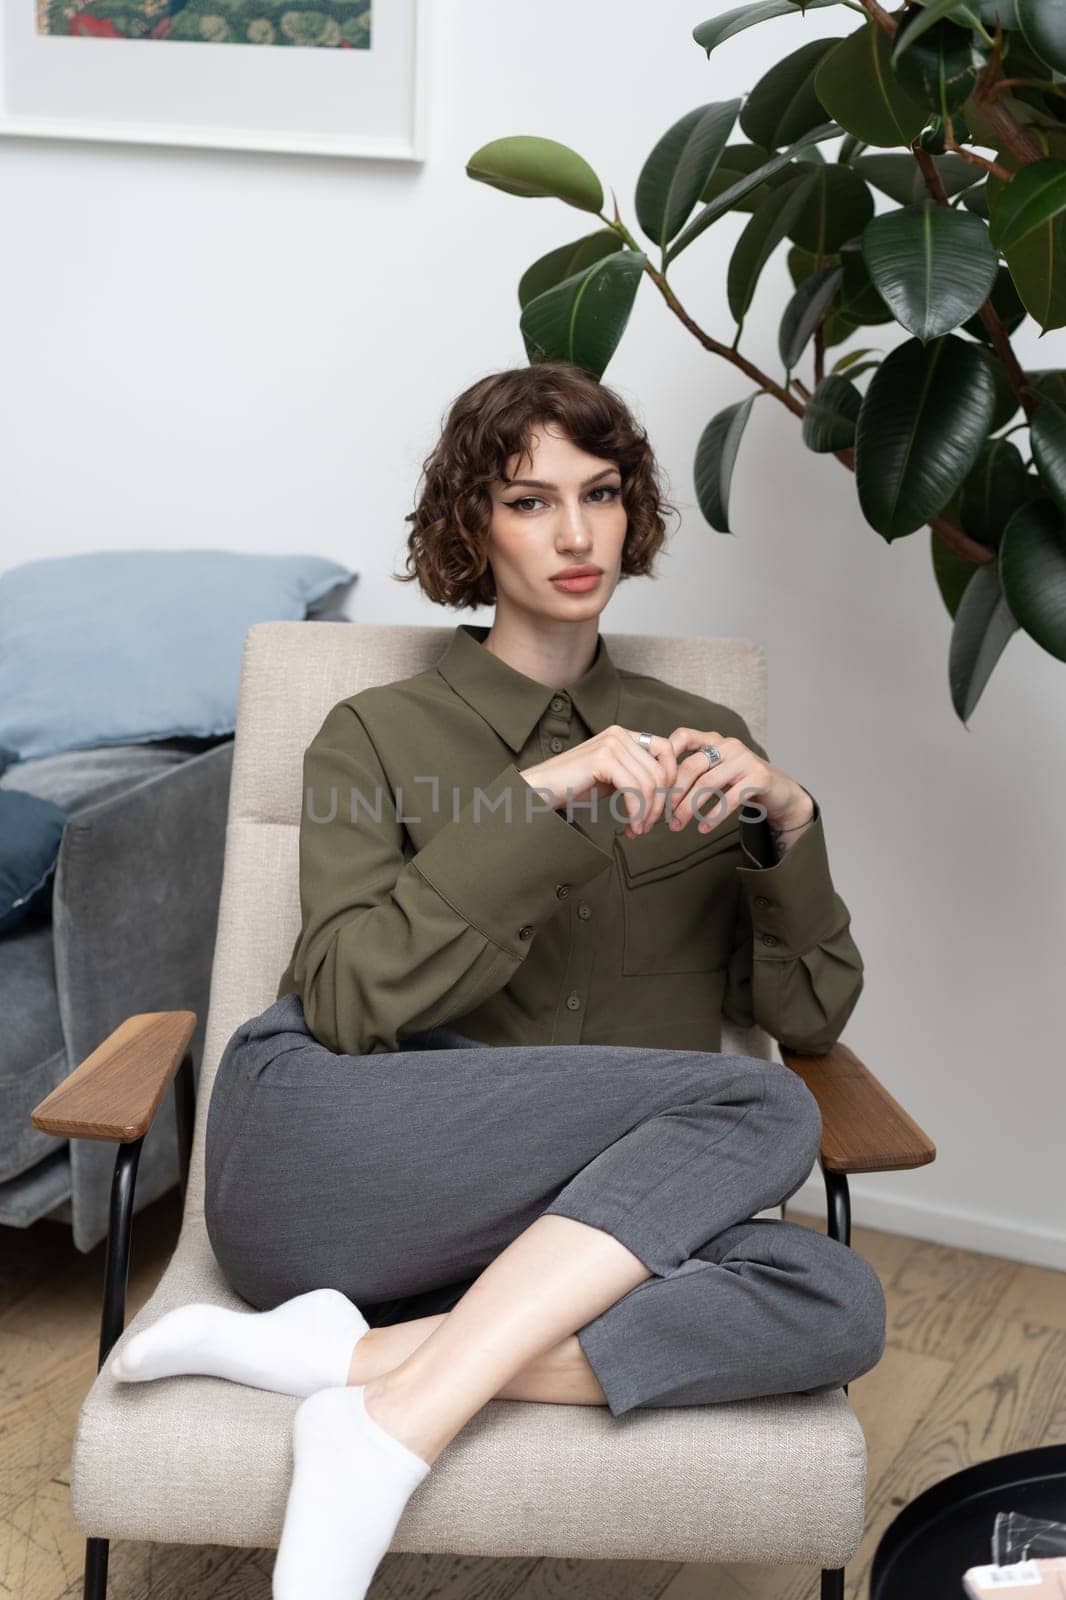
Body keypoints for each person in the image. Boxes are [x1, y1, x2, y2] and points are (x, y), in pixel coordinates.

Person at [110, 361, 886, 1599]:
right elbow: (350, 997)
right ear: (472, 526)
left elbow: (805, 1016)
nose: (574, 534)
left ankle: (362, 1374)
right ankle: (383, 1415)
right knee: (761, 1110)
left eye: (601, 493)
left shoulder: (700, 741)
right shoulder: (373, 734)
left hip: (575, 1240)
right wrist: (544, 795)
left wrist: (788, 823)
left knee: (835, 1305)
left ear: (634, 512)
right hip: (349, 1161)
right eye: (529, 501)